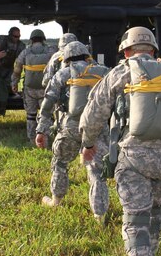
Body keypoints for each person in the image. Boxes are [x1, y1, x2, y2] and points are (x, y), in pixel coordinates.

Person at [80, 26, 161, 256]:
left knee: (135, 221)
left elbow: (94, 113)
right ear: (153, 50)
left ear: (126, 51)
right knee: (156, 210)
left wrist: (88, 143)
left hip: (135, 160)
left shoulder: (120, 73)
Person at [35, 41, 110, 224]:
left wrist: (41, 130)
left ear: (66, 58)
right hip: (97, 128)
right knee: (96, 171)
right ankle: (99, 215)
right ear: (87, 56)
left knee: (60, 163)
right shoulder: (103, 72)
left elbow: (47, 103)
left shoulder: (63, 73)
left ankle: (56, 201)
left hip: (70, 127)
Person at [11, 29, 57, 143]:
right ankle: (46, 138)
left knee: (31, 115)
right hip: (45, 89)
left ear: (31, 39)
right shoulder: (50, 51)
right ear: (43, 39)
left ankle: (32, 138)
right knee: (46, 115)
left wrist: (14, 83)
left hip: (29, 89)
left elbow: (17, 70)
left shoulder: (25, 52)